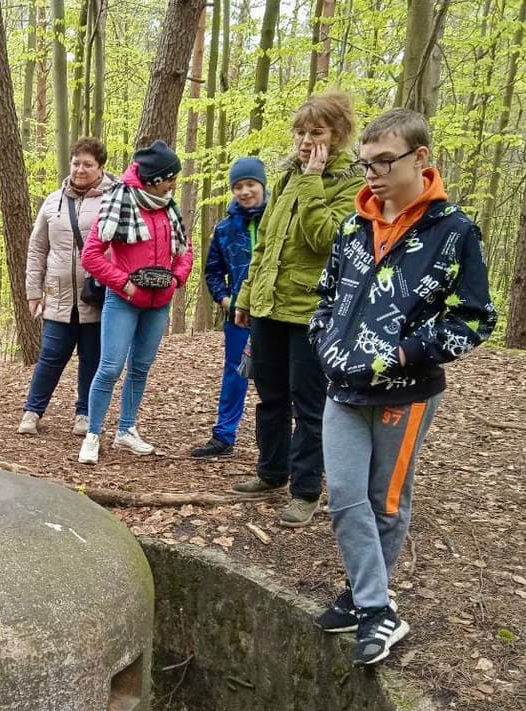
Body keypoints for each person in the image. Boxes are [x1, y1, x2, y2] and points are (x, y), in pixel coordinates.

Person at [309, 108, 496, 665]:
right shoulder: (351, 227)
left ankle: (367, 603)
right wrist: (324, 343)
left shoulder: (454, 231)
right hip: (341, 386)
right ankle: (375, 606)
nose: (372, 173)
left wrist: (403, 355)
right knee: (344, 496)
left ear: (420, 159)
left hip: (407, 392)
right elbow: (326, 297)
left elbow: (475, 318)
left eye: (385, 161)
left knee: (384, 501)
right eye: (367, 163)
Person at [232, 90, 364, 527]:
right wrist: (247, 297)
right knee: (270, 397)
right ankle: (271, 472)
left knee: (309, 404)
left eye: (318, 132)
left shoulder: (352, 184)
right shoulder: (286, 178)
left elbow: (325, 239)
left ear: (339, 134)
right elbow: (266, 243)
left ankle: (306, 490)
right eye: (301, 132)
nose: (307, 141)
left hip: (312, 312)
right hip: (270, 306)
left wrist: (312, 179)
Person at [78, 140, 194, 465]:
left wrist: (175, 279)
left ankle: (126, 430)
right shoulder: (119, 202)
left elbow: (186, 250)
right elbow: (91, 256)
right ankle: (93, 434)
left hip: (160, 303)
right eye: (171, 177)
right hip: (124, 301)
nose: (174, 183)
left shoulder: (168, 207)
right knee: (110, 367)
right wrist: (125, 284)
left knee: (140, 368)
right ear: (156, 179)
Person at [18, 137, 113, 437]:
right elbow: (37, 249)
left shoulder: (113, 200)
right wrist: (34, 292)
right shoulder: (52, 201)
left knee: (91, 357)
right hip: (58, 296)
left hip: (96, 295)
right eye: (76, 163)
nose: (80, 170)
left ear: (100, 168)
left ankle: (84, 413)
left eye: (88, 164)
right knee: (50, 356)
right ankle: (32, 411)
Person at [191, 156, 268, 458]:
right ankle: (224, 436)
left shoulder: (278, 220)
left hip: (276, 313)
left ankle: (276, 444)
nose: (245, 191)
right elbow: (212, 270)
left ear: (262, 184)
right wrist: (225, 299)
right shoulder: (225, 228)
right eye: (238, 186)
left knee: (274, 379)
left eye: (250, 184)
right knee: (234, 374)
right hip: (238, 316)